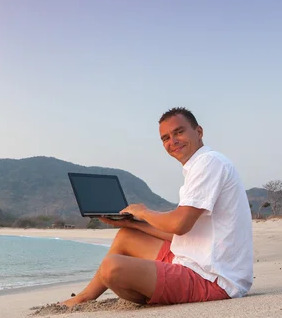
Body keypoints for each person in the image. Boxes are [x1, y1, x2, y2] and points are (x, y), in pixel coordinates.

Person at [62, 107, 253, 307]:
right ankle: (84, 297)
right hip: (194, 261)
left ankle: (149, 294)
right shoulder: (199, 166)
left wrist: (143, 212)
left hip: (213, 278)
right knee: (126, 236)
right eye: (166, 138)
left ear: (199, 132)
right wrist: (133, 224)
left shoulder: (209, 163)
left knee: (112, 268)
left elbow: (179, 224)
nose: (173, 141)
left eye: (179, 132)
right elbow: (181, 236)